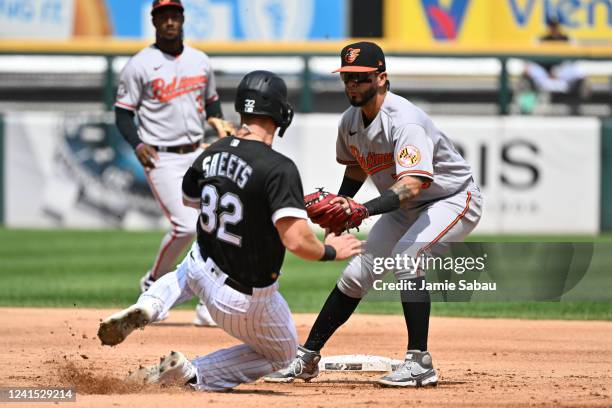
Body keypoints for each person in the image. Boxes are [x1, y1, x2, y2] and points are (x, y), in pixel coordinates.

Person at [97, 70, 363, 391]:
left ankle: (151, 304)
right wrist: (333, 251)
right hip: (240, 301)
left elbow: (189, 199)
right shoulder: (279, 167)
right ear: (280, 112)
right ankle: (194, 374)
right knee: (283, 354)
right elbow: (296, 242)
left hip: (200, 268)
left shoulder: (212, 151)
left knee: (190, 266)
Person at [264, 41, 483, 387]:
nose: (353, 85)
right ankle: (307, 357)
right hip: (403, 207)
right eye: (347, 78)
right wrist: (341, 206)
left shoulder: (405, 121)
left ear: (382, 78)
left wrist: (363, 210)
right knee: (356, 275)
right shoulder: (349, 122)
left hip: (452, 199)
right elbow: (355, 168)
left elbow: (412, 185)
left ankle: (419, 362)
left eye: (362, 78)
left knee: (407, 258)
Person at [114, 0, 234, 326]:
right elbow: (123, 113)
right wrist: (136, 143)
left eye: (174, 15)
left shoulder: (200, 60)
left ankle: (208, 302)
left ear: (182, 18)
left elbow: (210, 100)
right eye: (162, 16)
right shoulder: (139, 64)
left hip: (198, 150)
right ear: (154, 21)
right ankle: (154, 282)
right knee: (184, 226)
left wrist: (217, 120)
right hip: (161, 156)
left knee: (217, 222)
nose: (169, 21)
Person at [520, 17, 588, 114]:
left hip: (562, 75)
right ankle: (527, 109)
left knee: (579, 71)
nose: (554, 28)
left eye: (555, 26)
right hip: (545, 75)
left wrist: (557, 72)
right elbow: (532, 60)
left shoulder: (567, 39)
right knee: (527, 71)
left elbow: (573, 60)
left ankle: (576, 106)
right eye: (552, 26)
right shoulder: (541, 39)